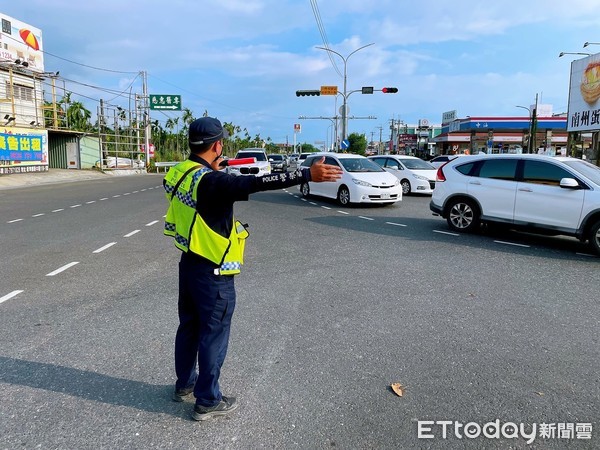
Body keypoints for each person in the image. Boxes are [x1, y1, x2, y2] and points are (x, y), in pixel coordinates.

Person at [163, 117, 342, 421]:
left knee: (190, 327)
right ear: (218, 145)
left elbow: (201, 191)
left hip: (189, 263)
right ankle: (207, 400)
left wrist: (213, 170)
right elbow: (257, 182)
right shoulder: (214, 182)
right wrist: (306, 174)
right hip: (214, 270)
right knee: (213, 334)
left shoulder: (180, 172)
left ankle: (185, 385)